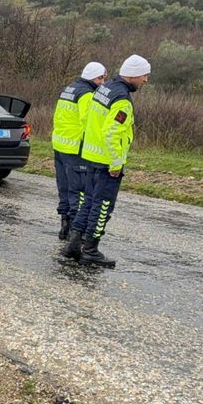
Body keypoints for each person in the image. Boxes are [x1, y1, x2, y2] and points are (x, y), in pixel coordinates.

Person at [63, 55, 151, 267]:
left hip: (92, 155)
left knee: (88, 202)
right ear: (133, 74)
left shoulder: (106, 88)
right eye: (144, 75)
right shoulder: (121, 99)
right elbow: (113, 134)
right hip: (106, 161)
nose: (146, 80)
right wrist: (116, 163)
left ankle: (74, 245)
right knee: (102, 207)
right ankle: (91, 250)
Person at [51, 61, 107, 240]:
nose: (103, 83)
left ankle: (64, 226)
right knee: (79, 191)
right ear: (94, 78)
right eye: (101, 79)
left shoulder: (69, 89)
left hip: (60, 145)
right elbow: (88, 121)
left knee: (64, 188)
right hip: (75, 148)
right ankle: (76, 232)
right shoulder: (86, 94)